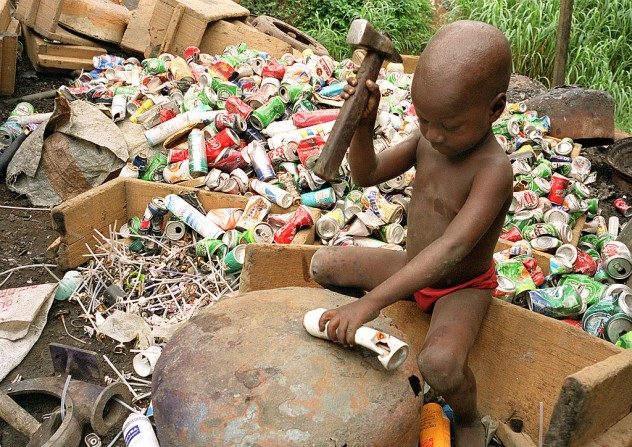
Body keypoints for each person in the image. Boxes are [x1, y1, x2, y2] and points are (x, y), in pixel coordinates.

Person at [309, 20, 514, 446]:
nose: (435, 135)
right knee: (323, 263)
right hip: (410, 265)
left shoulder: (493, 171)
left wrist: (369, 304)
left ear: (495, 109)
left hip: (461, 286)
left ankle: (472, 419)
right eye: (425, 120)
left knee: (439, 363)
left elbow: (452, 248)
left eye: (451, 126)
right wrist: (364, 124)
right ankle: (370, 328)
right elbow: (366, 174)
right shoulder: (428, 140)